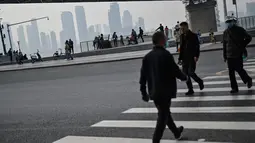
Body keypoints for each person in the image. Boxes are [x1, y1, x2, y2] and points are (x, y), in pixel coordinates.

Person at [139, 31, 187, 143]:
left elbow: (143, 78)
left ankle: (176, 132)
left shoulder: (147, 57)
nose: (166, 40)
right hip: (166, 91)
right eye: (165, 39)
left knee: (165, 113)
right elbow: (175, 70)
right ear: (162, 41)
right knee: (162, 116)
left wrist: (144, 93)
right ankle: (156, 140)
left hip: (154, 92)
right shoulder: (166, 55)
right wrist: (184, 77)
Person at [223, 16, 252, 93]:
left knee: (239, 69)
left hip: (238, 54)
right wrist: (224, 55)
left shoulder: (240, 29)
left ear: (233, 22)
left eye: (229, 21)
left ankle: (248, 79)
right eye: (227, 22)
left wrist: (243, 44)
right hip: (229, 55)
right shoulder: (226, 32)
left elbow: (249, 38)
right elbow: (224, 45)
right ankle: (234, 88)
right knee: (231, 73)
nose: (228, 23)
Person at [178, 22, 204, 95]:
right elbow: (181, 48)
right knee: (186, 75)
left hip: (192, 57)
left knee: (191, 73)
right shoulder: (181, 36)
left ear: (187, 27)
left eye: (183, 28)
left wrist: (196, 56)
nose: (182, 30)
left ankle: (200, 81)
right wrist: (180, 58)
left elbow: (197, 47)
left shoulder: (193, 35)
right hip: (184, 58)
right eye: (181, 28)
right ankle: (190, 89)